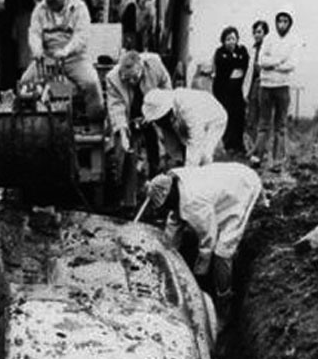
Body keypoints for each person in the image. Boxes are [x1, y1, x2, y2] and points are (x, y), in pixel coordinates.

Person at [146, 162, 262, 324]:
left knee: (222, 252)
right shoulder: (177, 185)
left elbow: (208, 240)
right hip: (230, 178)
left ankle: (224, 303)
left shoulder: (193, 203)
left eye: (165, 205)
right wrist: (165, 254)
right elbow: (173, 226)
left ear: (169, 196)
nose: (166, 210)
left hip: (242, 187)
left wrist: (199, 273)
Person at [21, 0, 104, 122]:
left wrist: (66, 50)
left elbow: (81, 36)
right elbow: (34, 33)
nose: (48, 0)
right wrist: (37, 50)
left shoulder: (79, 8)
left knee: (92, 83)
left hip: (74, 59)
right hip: (47, 58)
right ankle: (33, 124)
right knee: (25, 82)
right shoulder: (39, 10)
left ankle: (95, 123)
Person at [105, 49, 171, 207]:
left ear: (141, 67)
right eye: (128, 79)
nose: (132, 81)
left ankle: (158, 194)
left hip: (153, 112)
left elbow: (167, 88)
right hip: (129, 118)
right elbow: (116, 108)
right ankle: (129, 202)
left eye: (135, 77)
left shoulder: (155, 66)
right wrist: (122, 132)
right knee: (128, 154)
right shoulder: (112, 79)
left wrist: (159, 111)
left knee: (158, 151)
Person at [250, 8, 297, 171]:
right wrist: (278, 62)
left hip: (282, 87)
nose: (281, 24)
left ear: (289, 23)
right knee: (263, 124)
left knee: (280, 125)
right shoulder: (269, 38)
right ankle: (257, 156)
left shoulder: (293, 41)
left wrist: (273, 64)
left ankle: (277, 161)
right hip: (266, 86)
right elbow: (262, 60)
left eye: (285, 21)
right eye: (279, 21)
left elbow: (291, 64)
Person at [142, 86, 227, 168]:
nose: (159, 122)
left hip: (214, 118)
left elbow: (195, 140)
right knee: (180, 150)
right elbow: (171, 143)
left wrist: (188, 170)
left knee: (204, 155)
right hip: (187, 119)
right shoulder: (168, 114)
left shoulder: (188, 107)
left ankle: (205, 176)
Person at [212, 26, 249, 155]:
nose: (231, 42)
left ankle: (238, 145)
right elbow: (223, 65)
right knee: (226, 116)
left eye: (233, 38)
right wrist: (234, 63)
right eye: (228, 39)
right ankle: (227, 145)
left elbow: (244, 63)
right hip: (223, 90)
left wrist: (234, 63)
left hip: (238, 91)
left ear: (237, 39)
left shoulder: (242, 50)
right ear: (223, 41)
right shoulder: (219, 52)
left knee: (239, 117)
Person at [246, 19, 269, 141]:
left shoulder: (269, 49)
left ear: (265, 34)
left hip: (265, 83)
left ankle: (262, 148)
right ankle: (251, 145)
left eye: (259, 32)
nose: (256, 35)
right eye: (255, 32)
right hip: (253, 84)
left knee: (264, 117)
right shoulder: (252, 49)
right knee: (251, 116)